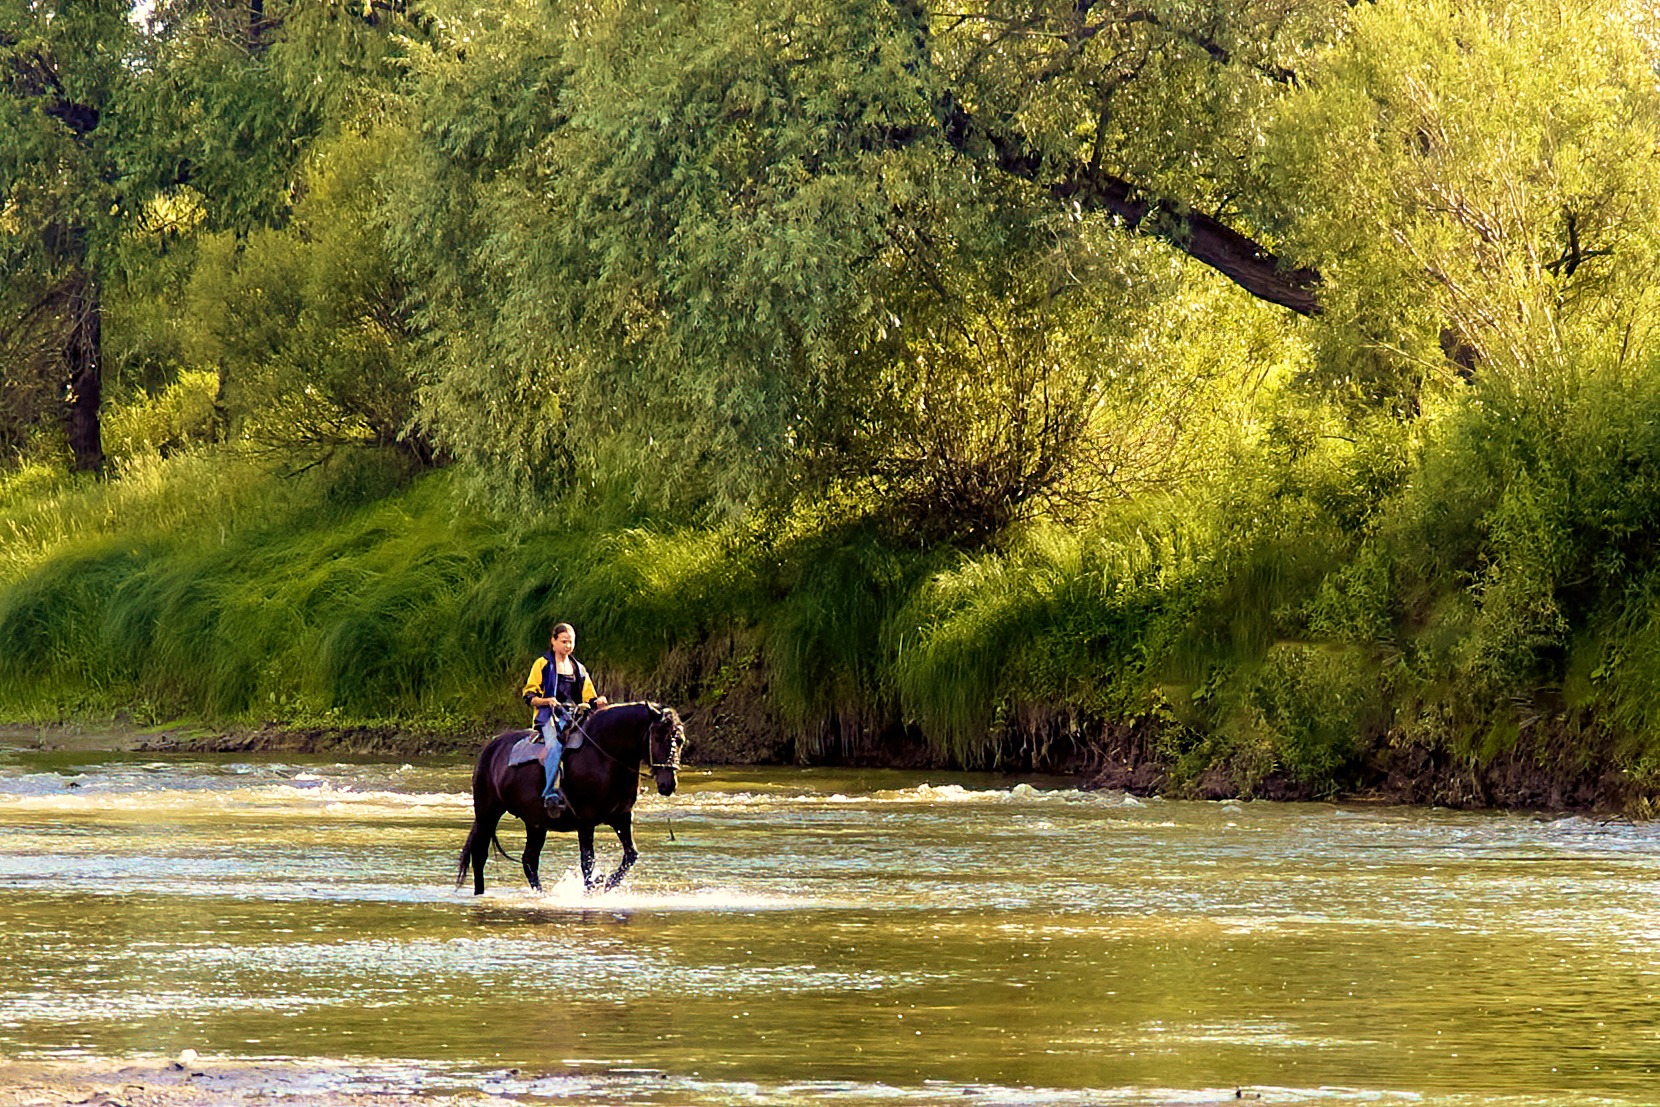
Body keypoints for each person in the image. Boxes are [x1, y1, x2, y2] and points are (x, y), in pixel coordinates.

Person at [521, 622, 607, 816]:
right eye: (564, 641)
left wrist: (598, 702)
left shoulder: (579, 668)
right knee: (555, 746)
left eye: (571, 642)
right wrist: (545, 700)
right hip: (548, 716)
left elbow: (589, 697)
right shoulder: (542, 663)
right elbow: (529, 696)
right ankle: (549, 793)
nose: (568, 646)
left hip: (574, 716)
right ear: (553, 641)